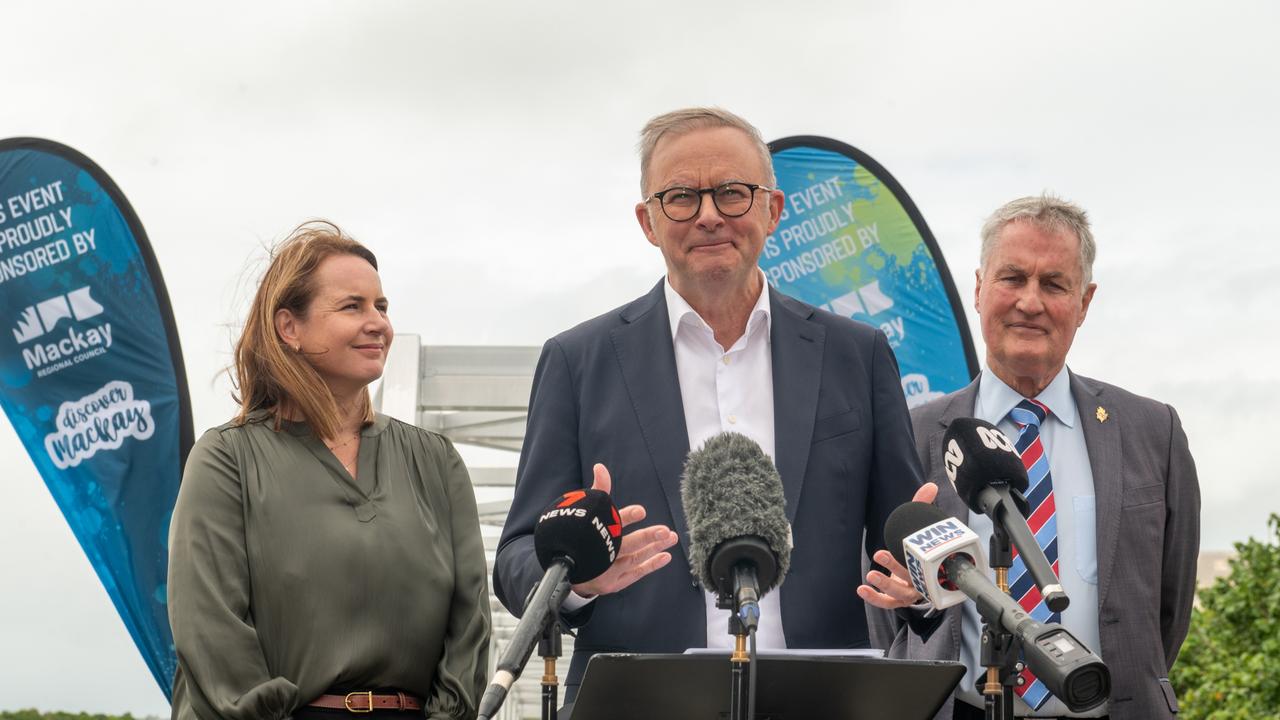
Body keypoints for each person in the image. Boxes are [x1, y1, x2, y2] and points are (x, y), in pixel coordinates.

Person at [492, 107, 937, 703]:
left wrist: (923, 582)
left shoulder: (856, 355)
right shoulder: (579, 361)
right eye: (680, 197)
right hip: (638, 703)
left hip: (823, 699)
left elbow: (905, 550)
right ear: (648, 221)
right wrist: (581, 579)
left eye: (732, 193)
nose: (708, 216)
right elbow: (518, 557)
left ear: (773, 210)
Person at [875, 195, 1201, 719]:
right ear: (979, 289)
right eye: (1012, 279)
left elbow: (1170, 607)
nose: (1030, 301)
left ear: (1085, 302)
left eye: (1054, 284)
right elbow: (889, 615)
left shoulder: (1152, 430)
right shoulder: (912, 436)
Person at [167, 222, 490, 720]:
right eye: (352, 306)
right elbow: (210, 629)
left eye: (381, 307)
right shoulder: (226, 460)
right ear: (288, 328)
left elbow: (470, 624)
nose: (378, 323)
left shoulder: (435, 460)